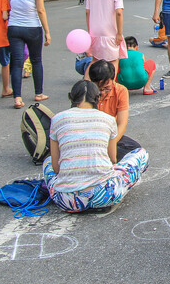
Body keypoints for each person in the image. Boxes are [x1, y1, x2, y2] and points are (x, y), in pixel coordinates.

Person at [43, 79, 149, 213]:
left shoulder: (57, 119)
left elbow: (55, 167)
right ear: (97, 99)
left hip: (67, 201)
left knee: (47, 161)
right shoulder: (108, 119)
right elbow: (113, 160)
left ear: (71, 97)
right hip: (105, 195)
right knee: (141, 154)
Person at [5, 0, 51, 109]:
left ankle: (17, 97)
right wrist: (47, 32)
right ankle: (39, 93)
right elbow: (40, 10)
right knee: (36, 60)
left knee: (17, 63)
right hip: (32, 27)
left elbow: (8, 4)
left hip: (14, 27)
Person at [85, 0, 127, 78]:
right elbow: (119, 13)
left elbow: (87, 12)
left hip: (94, 32)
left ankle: (85, 88)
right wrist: (119, 33)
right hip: (110, 32)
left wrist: (90, 31)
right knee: (113, 61)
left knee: (94, 60)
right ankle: (110, 89)